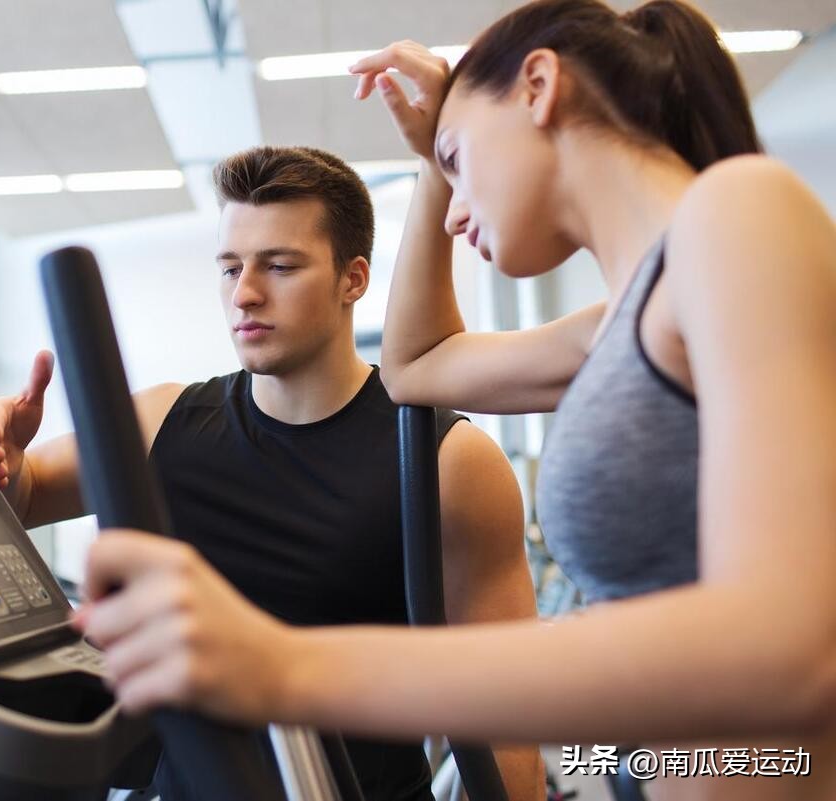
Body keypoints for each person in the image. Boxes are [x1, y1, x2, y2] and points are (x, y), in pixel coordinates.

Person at [71, 1, 836, 799]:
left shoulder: (740, 207)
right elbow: (417, 366)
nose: (459, 206)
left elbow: (791, 650)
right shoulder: (621, 323)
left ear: (538, 86)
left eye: (458, 160)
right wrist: (436, 162)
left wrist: (287, 663)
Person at [0, 146, 544, 800]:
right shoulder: (163, 421)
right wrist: (1, 454)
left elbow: (508, 722)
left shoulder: (449, 460)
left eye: (280, 265)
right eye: (230, 267)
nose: (244, 292)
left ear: (352, 279)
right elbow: (25, 492)